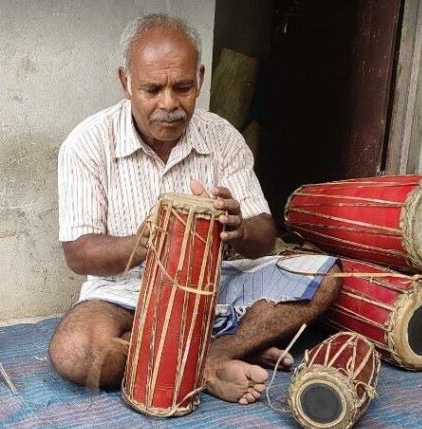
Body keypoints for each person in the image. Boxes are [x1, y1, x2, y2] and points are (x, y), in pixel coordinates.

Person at [49, 13, 341, 405]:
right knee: (76, 351)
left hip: (217, 287)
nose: (169, 104)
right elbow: (78, 253)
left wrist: (239, 227)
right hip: (124, 297)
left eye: (183, 87)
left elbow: (265, 237)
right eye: (152, 89)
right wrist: (152, 239)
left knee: (326, 276)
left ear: (201, 78)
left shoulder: (223, 137)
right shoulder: (87, 144)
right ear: (125, 83)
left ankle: (210, 353)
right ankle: (213, 359)